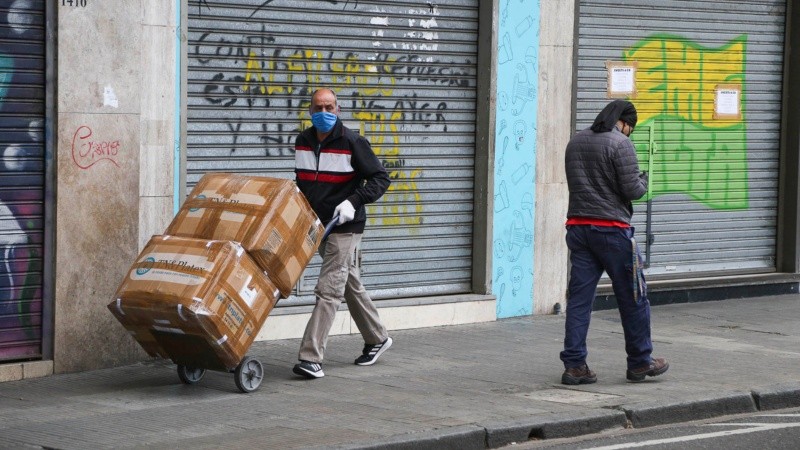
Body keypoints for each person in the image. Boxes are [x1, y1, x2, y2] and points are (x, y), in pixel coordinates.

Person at [561, 99, 669, 385]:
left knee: (579, 300)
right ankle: (640, 361)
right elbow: (633, 190)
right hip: (612, 231)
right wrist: (644, 179)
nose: (629, 132)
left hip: (579, 228)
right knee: (634, 297)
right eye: (630, 127)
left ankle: (574, 365)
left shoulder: (576, 141)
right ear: (623, 122)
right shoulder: (621, 144)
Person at [291, 88, 393, 379]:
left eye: (329, 107)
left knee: (329, 288)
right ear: (310, 111)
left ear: (338, 109)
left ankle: (311, 358)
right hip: (319, 225)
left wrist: (354, 201)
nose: (324, 113)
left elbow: (380, 178)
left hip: (345, 225)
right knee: (348, 282)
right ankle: (377, 337)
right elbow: (303, 180)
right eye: (318, 108)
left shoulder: (352, 142)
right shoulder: (303, 141)